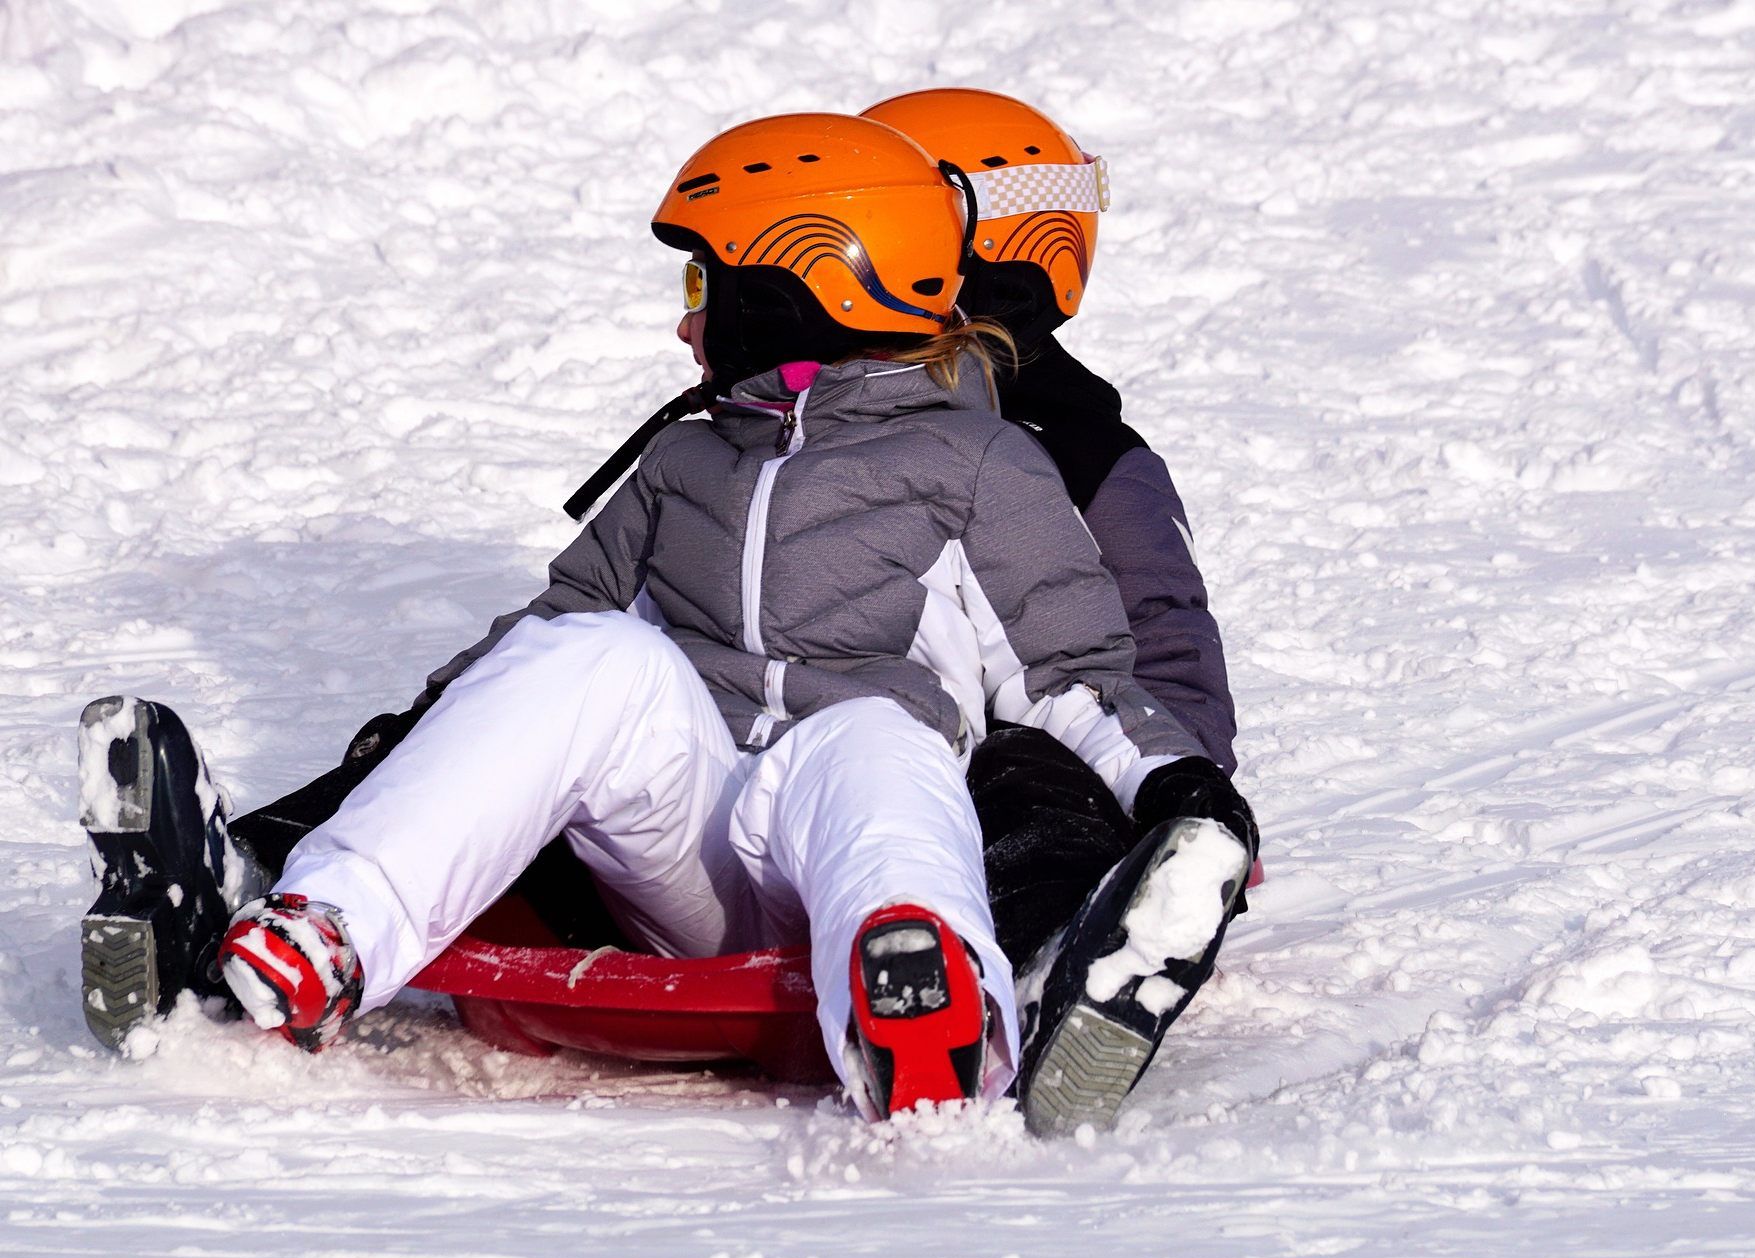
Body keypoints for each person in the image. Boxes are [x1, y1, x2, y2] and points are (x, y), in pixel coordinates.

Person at [78, 113, 1234, 1124]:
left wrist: (1177, 789)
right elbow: (550, 645)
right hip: (678, 847)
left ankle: (927, 1006)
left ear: (801, 279)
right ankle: (325, 927)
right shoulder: (681, 461)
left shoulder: (983, 463)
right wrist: (406, 746)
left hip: (848, 829)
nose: (686, 326)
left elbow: (1071, 676)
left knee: (877, 732)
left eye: (704, 288)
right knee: (594, 652)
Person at [860, 90, 1258, 1133]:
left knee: (1018, 789)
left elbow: (1162, 650)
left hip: (1025, 755)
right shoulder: (814, 412)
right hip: (836, 741)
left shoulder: (1080, 451)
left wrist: (1177, 789)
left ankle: (1068, 958)